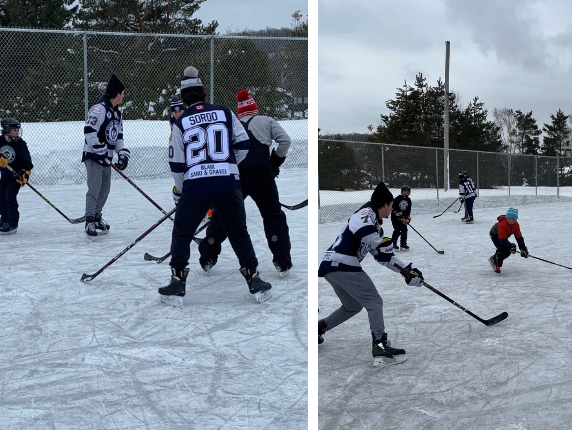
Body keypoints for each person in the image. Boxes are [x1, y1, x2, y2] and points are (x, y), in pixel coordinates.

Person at [158, 67, 272, 304]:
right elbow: (243, 144)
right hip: (227, 183)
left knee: (182, 233)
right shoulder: (226, 112)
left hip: (195, 185)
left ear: (184, 97)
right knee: (238, 231)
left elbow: (177, 164)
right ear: (202, 93)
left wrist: (180, 192)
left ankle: (178, 281)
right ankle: (254, 279)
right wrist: (228, 166)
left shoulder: (180, 123)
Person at [316, 183, 422, 364]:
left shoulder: (375, 227)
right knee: (374, 301)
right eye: (391, 205)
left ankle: (317, 328)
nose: (391, 209)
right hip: (343, 264)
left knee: (352, 306)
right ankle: (380, 346)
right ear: (385, 204)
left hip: (332, 267)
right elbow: (361, 227)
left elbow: (383, 257)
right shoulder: (367, 212)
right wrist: (381, 244)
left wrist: (405, 270)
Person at [200, 90, 295, 275]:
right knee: (272, 215)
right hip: (262, 176)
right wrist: (275, 162)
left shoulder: (231, 123)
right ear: (255, 108)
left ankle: (208, 255)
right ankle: (282, 261)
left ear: (239, 112)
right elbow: (285, 141)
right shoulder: (267, 121)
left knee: (223, 215)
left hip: (235, 176)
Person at [81, 74, 129, 236]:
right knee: (94, 189)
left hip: (106, 158)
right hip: (94, 157)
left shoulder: (117, 113)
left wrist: (121, 153)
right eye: (122, 93)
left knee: (105, 190)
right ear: (116, 93)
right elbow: (89, 131)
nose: (123, 96)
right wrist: (99, 149)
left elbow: (118, 137)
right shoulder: (99, 109)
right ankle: (89, 221)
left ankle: (96, 216)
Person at [0, 117, 32, 234]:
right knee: (1, 195)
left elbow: (28, 162)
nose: (17, 132)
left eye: (18, 129)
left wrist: (25, 173)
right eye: (14, 129)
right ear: (6, 130)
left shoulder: (20, 144)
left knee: (9, 196)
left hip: (16, 176)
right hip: (5, 175)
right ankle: (4, 219)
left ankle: (13, 223)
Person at [488, 207, 529, 273]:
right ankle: (496, 264)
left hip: (504, 236)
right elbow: (502, 239)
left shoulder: (516, 225)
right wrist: (510, 246)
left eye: (513, 219)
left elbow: (519, 238)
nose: (511, 220)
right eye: (509, 218)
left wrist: (523, 249)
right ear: (507, 217)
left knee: (508, 251)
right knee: (501, 249)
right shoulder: (502, 224)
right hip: (495, 235)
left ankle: (494, 258)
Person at [391, 186, 412, 251]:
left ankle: (403, 243)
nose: (406, 193)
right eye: (404, 191)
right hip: (395, 218)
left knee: (404, 230)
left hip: (403, 218)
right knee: (397, 230)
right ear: (402, 192)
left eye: (407, 192)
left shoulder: (408, 200)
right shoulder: (397, 198)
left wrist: (407, 217)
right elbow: (393, 207)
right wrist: (398, 214)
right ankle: (393, 243)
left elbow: (408, 210)